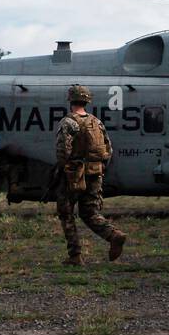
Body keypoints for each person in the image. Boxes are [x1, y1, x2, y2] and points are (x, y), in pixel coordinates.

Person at [54, 84, 126, 266]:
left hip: (73, 175)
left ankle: (75, 255)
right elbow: (108, 149)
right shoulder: (97, 122)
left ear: (70, 100)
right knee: (90, 212)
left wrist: (66, 168)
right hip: (96, 172)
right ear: (87, 101)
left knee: (66, 213)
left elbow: (63, 151)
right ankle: (113, 234)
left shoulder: (68, 122)